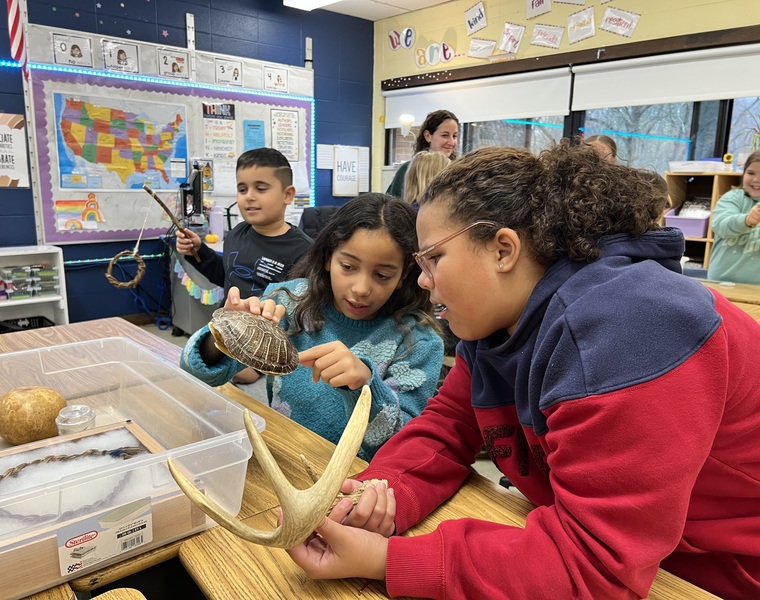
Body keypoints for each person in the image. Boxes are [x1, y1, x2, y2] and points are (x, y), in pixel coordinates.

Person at [285, 143, 760, 599]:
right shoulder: (495, 323)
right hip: (640, 554)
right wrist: (381, 493)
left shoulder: (632, 327)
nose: (423, 282)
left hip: (717, 574)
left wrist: (389, 560)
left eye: (432, 260)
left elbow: (593, 567)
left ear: (503, 249)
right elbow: (448, 426)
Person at [180, 193, 444, 459]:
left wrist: (365, 384)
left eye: (382, 275)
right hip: (285, 459)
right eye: (348, 266)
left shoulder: (418, 341)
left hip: (359, 481)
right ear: (329, 258)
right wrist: (228, 334)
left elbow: (402, 445)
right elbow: (195, 372)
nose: (361, 288)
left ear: (404, 275)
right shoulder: (288, 302)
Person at [176, 147, 312, 384]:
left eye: (261, 188)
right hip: (227, 332)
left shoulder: (304, 251)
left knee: (234, 377)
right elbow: (225, 275)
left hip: (266, 348)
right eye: (242, 189)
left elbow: (303, 312)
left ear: (288, 195)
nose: (249, 196)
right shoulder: (237, 234)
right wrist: (199, 251)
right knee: (197, 369)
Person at [707, 150, 760, 284]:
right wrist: (746, 220)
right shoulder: (733, 197)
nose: (756, 180)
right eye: (750, 173)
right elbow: (720, 225)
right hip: (722, 283)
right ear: (743, 174)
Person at [386, 109, 459, 198]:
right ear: (428, 136)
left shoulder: (459, 171)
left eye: (454, 136)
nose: (451, 142)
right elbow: (391, 206)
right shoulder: (407, 169)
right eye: (445, 135)